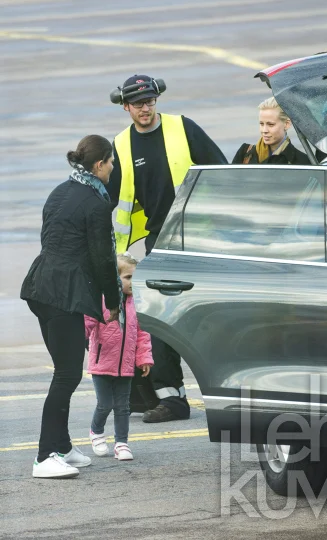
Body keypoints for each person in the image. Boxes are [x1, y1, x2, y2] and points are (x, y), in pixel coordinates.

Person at [106, 74, 228, 423]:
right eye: (138, 104)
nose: (145, 109)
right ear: (126, 107)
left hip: (200, 239)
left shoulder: (182, 128)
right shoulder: (122, 144)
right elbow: (111, 199)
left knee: (212, 317)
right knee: (159, 319)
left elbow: (220, 171)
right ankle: (171, 398)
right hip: (159, 240)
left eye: (150, 101)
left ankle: (238, 391)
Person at [21, 135, 121, 479]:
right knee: (67, 374)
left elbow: (51, 237)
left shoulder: (60, 191)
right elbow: (103, 258)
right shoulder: (96, 203)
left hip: (40, 285)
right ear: (99, 164)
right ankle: (44, 456)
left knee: (64, 370)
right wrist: (114, 299)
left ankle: (62, 446)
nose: (112, 168)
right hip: (62, 294)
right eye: (110, 162)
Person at [85, 252, 154, 460]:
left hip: (125, 365)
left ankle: (121, 443)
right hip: (102, 363)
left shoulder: (137, 303)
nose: (133, 282)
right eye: (128, 277)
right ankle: (96, 432)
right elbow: (87, 323)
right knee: (105, 404)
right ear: (115, 278)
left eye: (136, 277)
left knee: (123, 406)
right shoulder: (101, 301)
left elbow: (142, 333)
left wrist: (143, 358)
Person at [232, 97, 310, 165]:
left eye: (270, 124)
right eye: (261, 124)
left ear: (287, 124)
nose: (264, 130)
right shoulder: (244, 152)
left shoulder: (302, 161)